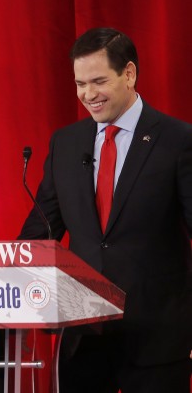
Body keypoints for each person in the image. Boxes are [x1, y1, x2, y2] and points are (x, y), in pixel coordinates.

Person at [19, 27, 192, 392]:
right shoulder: (66, 143)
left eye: (98, 81)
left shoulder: (178, 141)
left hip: (157, 342)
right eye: (80, 84)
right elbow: (39, 233)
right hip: (84, 341)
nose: (88, 95)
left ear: (129, 74)